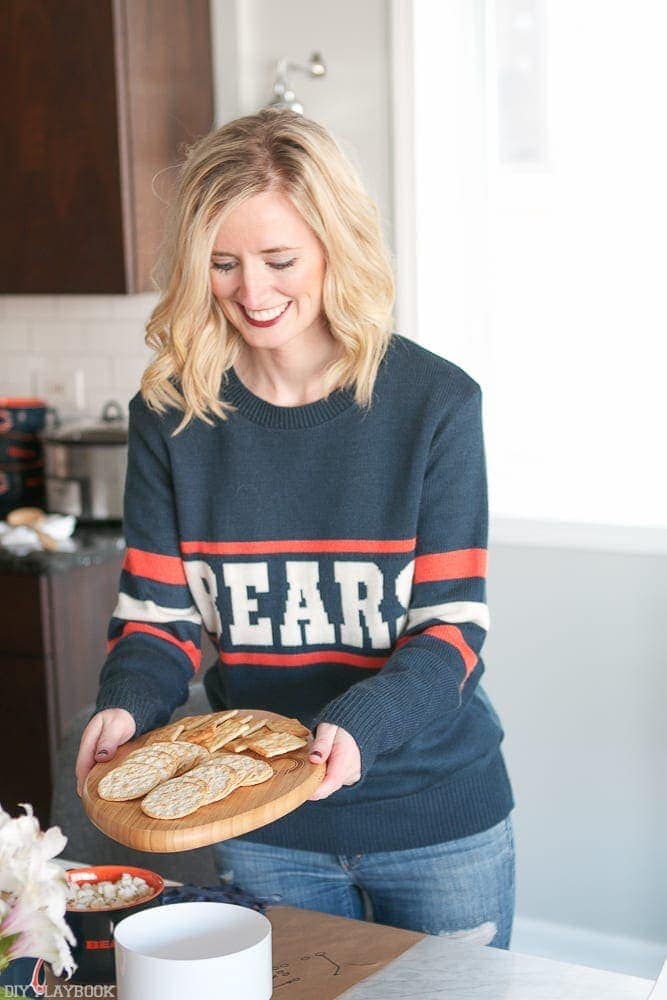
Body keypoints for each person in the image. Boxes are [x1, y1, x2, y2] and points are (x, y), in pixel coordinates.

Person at [75, 108, 515, 947]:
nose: (252, 291)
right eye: (223, 264)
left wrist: (364, 719)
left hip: (433, 818)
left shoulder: (433, 404)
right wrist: (128, 703)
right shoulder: (169, 415)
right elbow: (158, 620)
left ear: (332, 248)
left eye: (279, 260)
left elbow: (451, 630)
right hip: (264, 824)